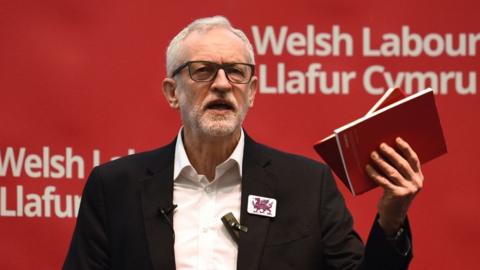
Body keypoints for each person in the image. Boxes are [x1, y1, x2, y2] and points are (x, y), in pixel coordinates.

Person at [63, 16, 423, 270]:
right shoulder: (114, 188)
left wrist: (391, 219)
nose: (222, 83)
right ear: (173, 92)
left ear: (251, 92)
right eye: (202, 70)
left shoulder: (307, 186)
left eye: (236, 72)